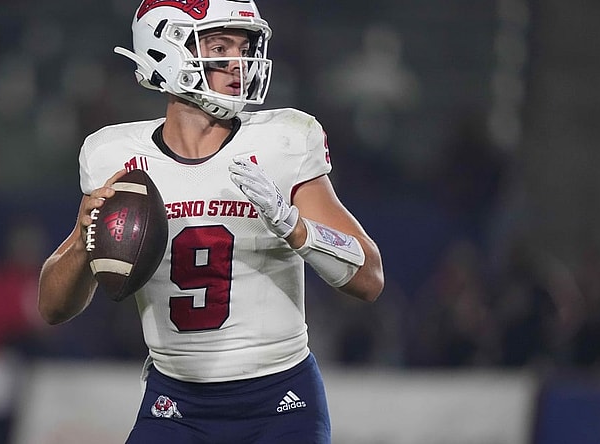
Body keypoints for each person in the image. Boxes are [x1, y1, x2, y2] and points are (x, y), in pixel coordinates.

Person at [38, 1, 384, 442]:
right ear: (164, 50)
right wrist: (84, 239)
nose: (239, 63)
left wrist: (294, 227)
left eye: (244, 48)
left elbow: (370, 278)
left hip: (281, 399)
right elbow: (52, 308)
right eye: (220, 47)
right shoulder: (114, 156)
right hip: (175, 402)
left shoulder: (283, 141)